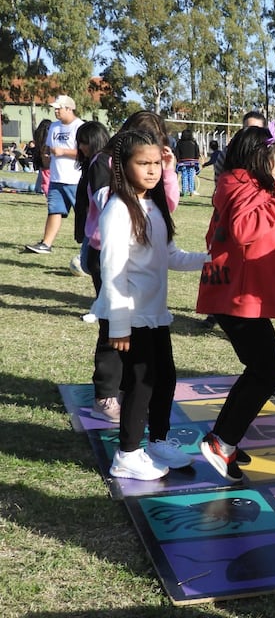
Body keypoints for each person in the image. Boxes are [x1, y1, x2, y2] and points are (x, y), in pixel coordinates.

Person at [91, 130, 208, 480]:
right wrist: (120, 324)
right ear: (122, 166)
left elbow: (170, 255)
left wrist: (208, 260)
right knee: (141, 384)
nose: (152, 170)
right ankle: (127, 453)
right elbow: (112, 269)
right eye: (143, 163)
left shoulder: (153, 206)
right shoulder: (117, 209)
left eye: (157, 162)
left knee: (164, 378)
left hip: (155, 314)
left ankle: (158, 441)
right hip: (133, 315)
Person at [196, 126, 275, 482]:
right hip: (236, 297)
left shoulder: (246, 184)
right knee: (267, 372)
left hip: (240, 294)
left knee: (259, 370)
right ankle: (221, 441)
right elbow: (244, 229)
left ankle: (226, 437)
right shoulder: (241, 185)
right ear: (262, 157)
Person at [70, 122, 121, 422]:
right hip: (101, 250)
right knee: (110, 321)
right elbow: (101, 203)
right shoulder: (101, 163)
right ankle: (106, 393)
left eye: (83, 142)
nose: (80, 148)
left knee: (116, 320)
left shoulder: (101, 162)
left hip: (109, 251)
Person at [25, 95, 84, 253]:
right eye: (55, 108)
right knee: (54, 210)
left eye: (59, 108)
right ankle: (46, 244)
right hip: (56, 178)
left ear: (69, 109)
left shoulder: (80, 127)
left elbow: (86, 152)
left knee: (83, 214)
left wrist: (64, 151)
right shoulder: (54, 127)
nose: (56, 111)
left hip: (75, 179)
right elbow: (50, 150)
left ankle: (90, 246)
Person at [174, 129, 200, 196]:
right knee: (191, 176)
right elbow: (197, 152)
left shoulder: (179, 143)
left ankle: (184, 191)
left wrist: (178, 160)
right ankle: (191, 191)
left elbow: (176, 152)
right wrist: (196, 159)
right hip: (192, 162)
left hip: (183, 162)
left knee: (184, 176)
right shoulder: (193, 142)